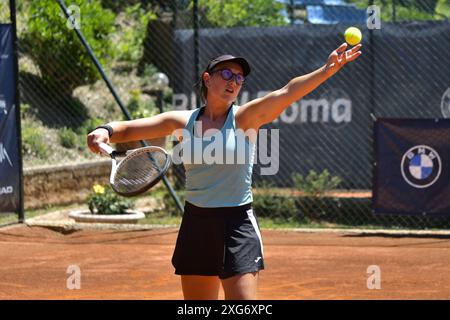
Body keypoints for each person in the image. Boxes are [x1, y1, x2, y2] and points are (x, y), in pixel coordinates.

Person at [87, 43, 362, 300]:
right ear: (207, 79)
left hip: (237, 223)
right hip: (196, 224)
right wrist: (104, 131)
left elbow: (287, 93)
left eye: (239, 78)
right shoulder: (183, 121)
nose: (233, 81)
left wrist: (326, 71)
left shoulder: (246, 118)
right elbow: (131, 128)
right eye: (227, 73)